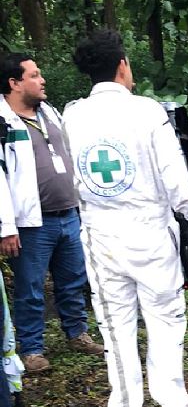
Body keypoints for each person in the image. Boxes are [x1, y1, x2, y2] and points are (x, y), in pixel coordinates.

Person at [66, 30, 188, 407]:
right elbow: (176, 180)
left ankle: (126, 401)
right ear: (122, 65)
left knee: (115, 330)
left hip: (101, 240)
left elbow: (71, 178)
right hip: (151, 237)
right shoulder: (147, 111)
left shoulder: (73, 115)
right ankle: (170, 400)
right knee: (164, 321)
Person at [0, 53, 104, 373]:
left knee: (73, 279)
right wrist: (6, 227)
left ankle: (78, 333)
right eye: (34, 75)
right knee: (30, 288)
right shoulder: (3, 122)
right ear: (14, 83)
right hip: (32, 223)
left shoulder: (51, 113)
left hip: (69, 213)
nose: (42, 80)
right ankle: (31, 349)